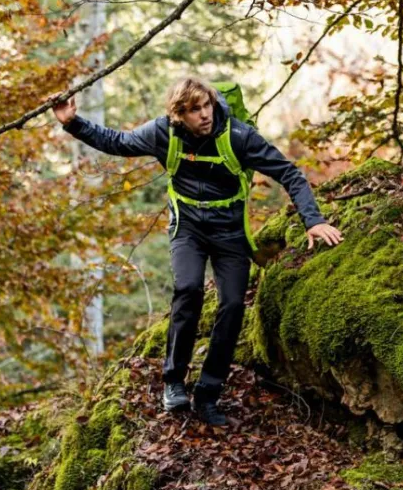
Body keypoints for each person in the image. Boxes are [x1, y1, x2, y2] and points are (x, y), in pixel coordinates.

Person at [50, 76, 342, 426]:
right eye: (193, 110)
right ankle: (173, 382)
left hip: (229, 230)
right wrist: (72, 123)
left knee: (233, 305)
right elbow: (118, 142)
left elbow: (289, 174)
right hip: (188, 227)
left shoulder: (238, 136)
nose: (203, 115)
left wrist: (313, 220)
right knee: (187, 289)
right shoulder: (163, 133)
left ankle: (208, 393)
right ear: (178, 115)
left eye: (206, 105)